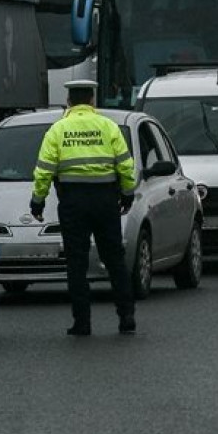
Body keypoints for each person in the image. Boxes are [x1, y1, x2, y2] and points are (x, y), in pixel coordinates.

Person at [30, 79, 139, 337]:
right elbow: (125, 164)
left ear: (69, 101)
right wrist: (127, 194)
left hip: (72, 202)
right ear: (92, 100)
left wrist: (38, 199)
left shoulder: (58, 130)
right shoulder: (108, 127)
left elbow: (45, 169)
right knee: (114, 258)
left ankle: (82, 323)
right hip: (105, 201)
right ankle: (126, 316)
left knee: (76, 263)